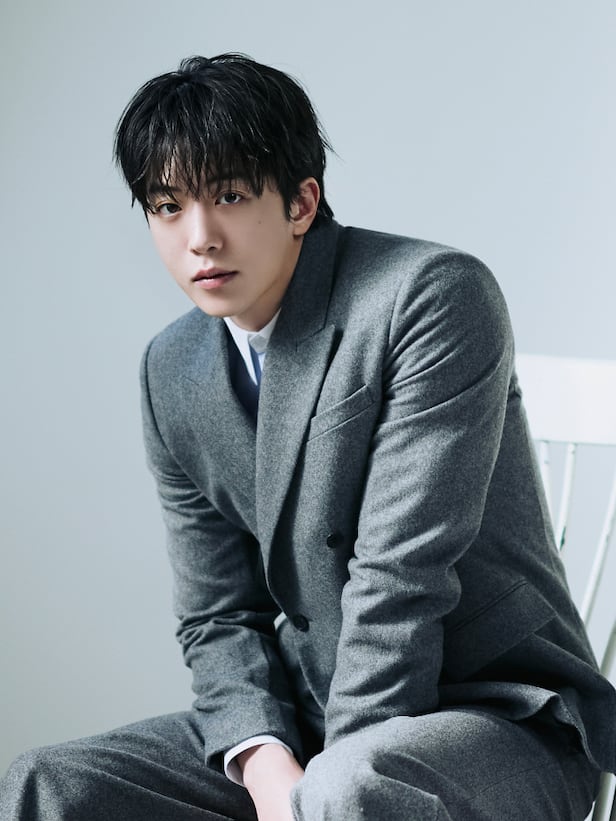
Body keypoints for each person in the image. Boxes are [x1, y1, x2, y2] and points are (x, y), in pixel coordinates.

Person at [2, 53, 614, 821]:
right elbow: (218, 614)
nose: (199, 237)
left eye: (229, 195)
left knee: (346, 787)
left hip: (495, 714)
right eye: (167, 206)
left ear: (300, 202)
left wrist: (317, 791)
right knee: (50, 782)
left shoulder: (431, 297)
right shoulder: (172, 368)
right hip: (306, 717)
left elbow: (400, 578)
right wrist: (265, 764)